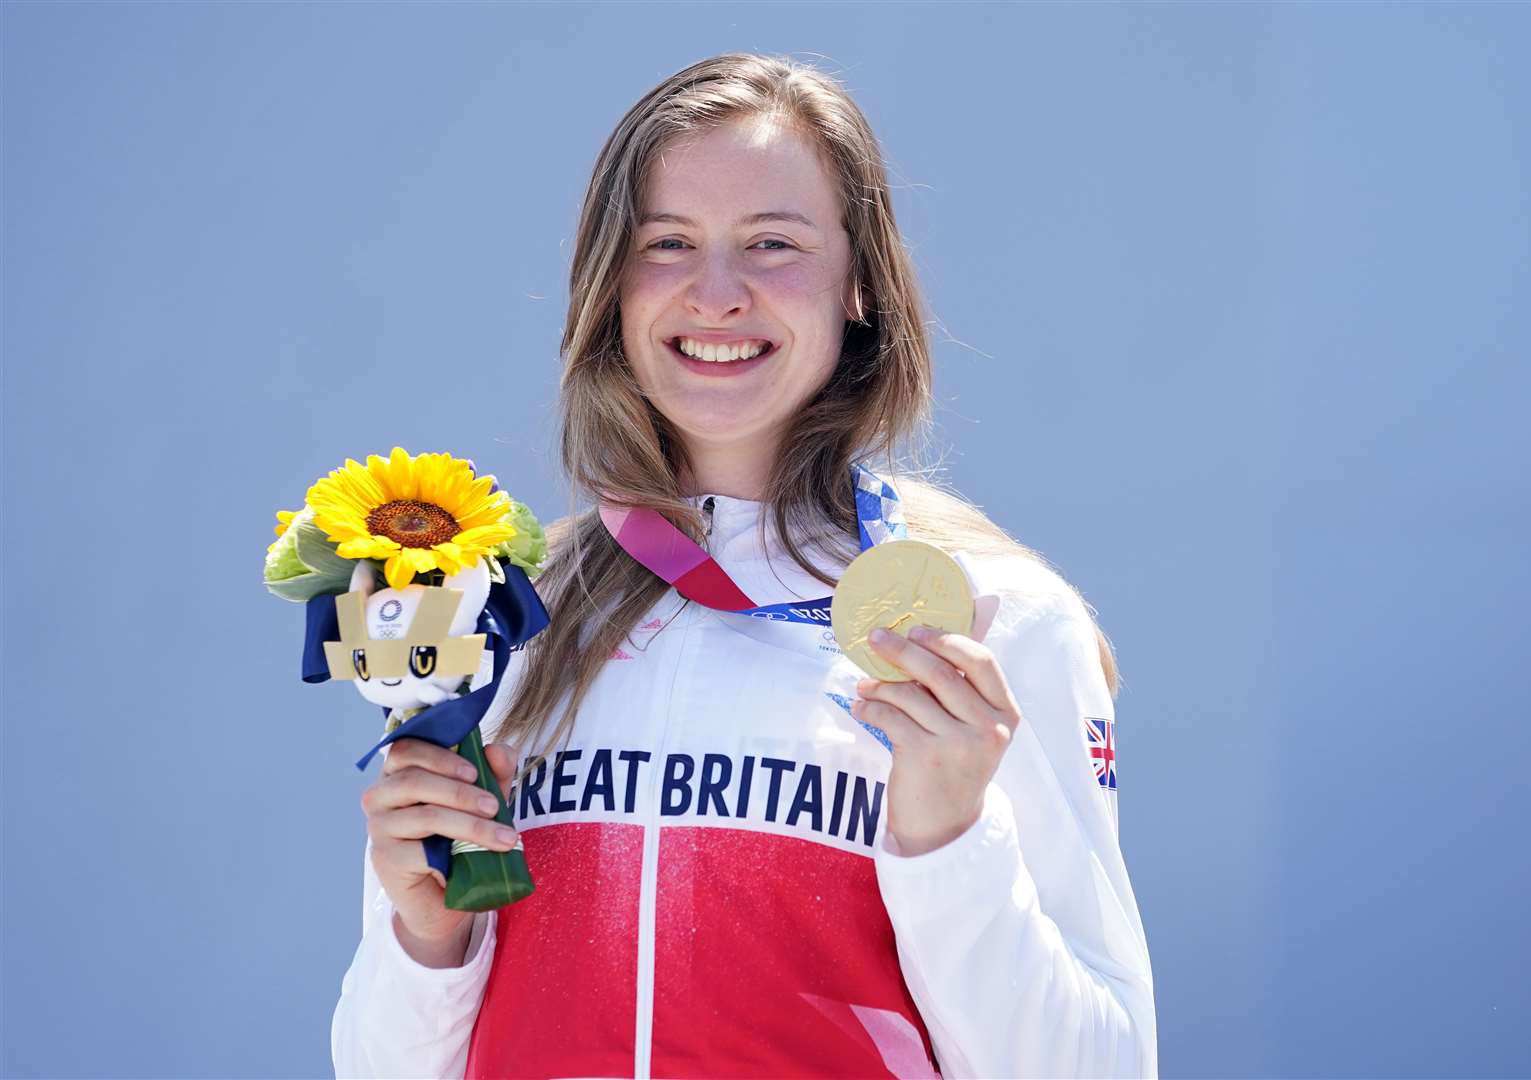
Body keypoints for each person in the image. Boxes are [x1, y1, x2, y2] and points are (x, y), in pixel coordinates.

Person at [331, 52, 1157, 1080]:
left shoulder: (989, 620)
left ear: (859, 282)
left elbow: (1100, 1066)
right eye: (667, 243)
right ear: (608, 283)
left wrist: (950, 840)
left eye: (772, 243)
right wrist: (428, 944)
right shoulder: (498, 615)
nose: (715, 293)